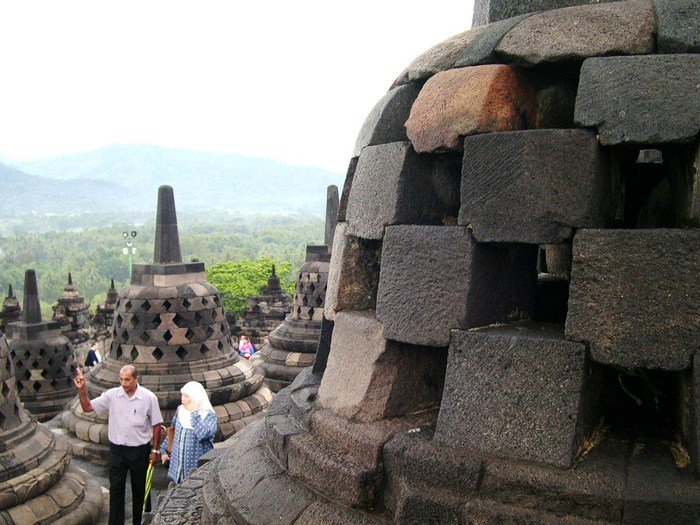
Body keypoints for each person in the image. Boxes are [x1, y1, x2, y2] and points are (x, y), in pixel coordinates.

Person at [74, 365, 163, 525]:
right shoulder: (112, 395)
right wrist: (82, 389)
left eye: (127, 379)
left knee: (141, 490)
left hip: (139, 450)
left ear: (136, 379)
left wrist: (155, 450)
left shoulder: (149, 398)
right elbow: (88, 408)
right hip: (117, 451)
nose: (123, 383)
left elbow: (156, 425)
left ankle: (142, 522)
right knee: (115, 489)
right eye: (121, 379)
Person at [160, 381, 217, 484]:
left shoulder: (208, 415)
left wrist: (194, 413)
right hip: (178, 466)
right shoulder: (180, 410)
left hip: (197, 467)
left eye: (186, 396)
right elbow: (173, 431)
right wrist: (164, 451)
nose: (182, 399)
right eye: (182, 395)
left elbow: (203, 434)